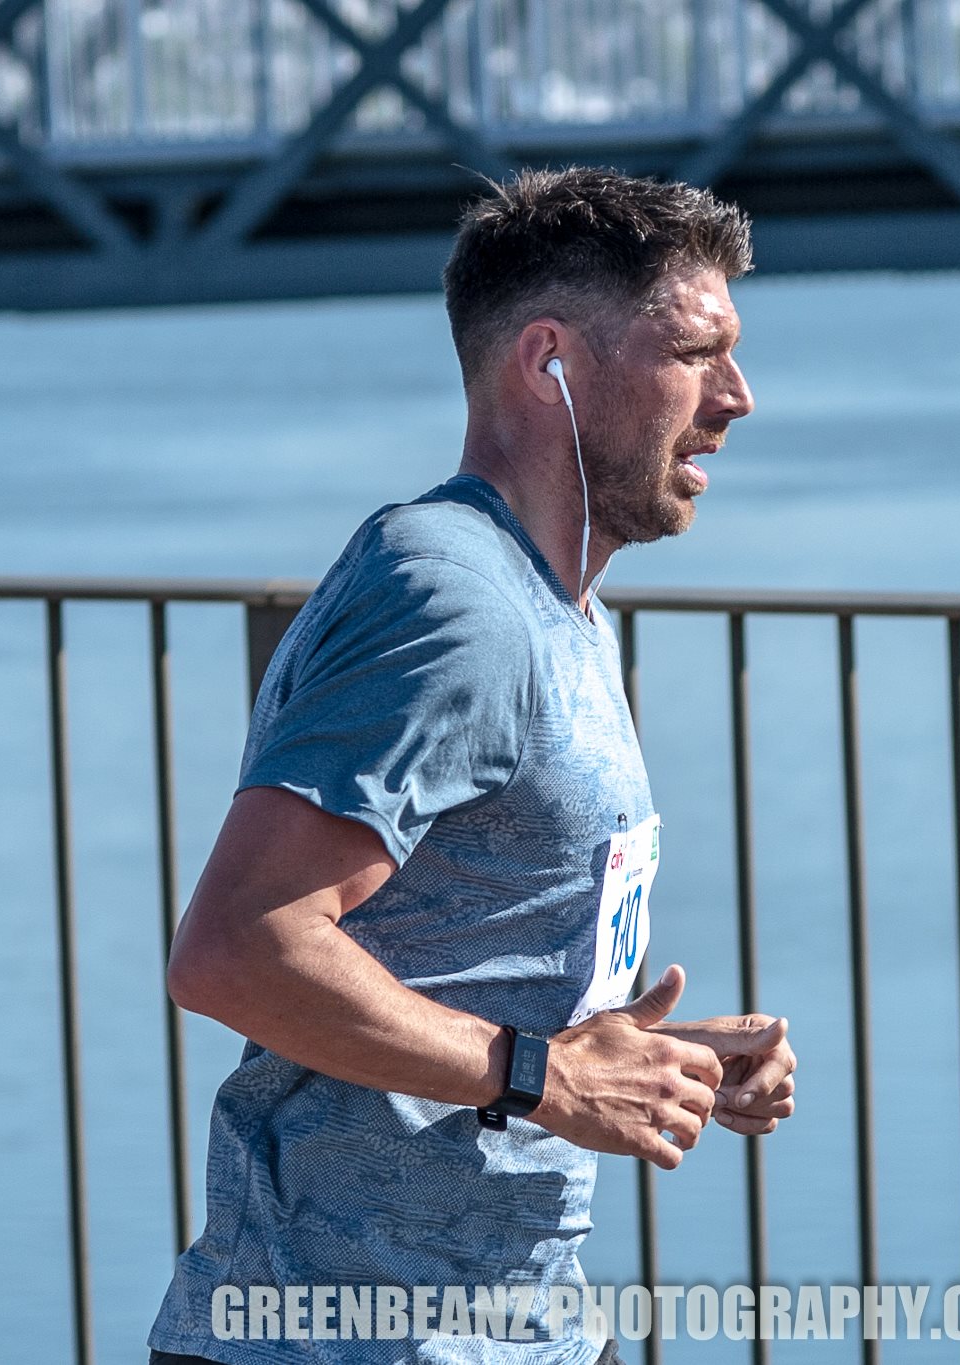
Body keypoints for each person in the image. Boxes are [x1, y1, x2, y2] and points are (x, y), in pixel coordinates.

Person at [145, 167, 799, 1365]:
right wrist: (548, 1077)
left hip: (514, 1328)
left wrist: (654, 1064)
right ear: (546, 361)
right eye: (695, 352)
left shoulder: (558, 608)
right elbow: (237, 949)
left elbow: (447, 958)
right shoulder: (455, 602)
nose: (736, 396)